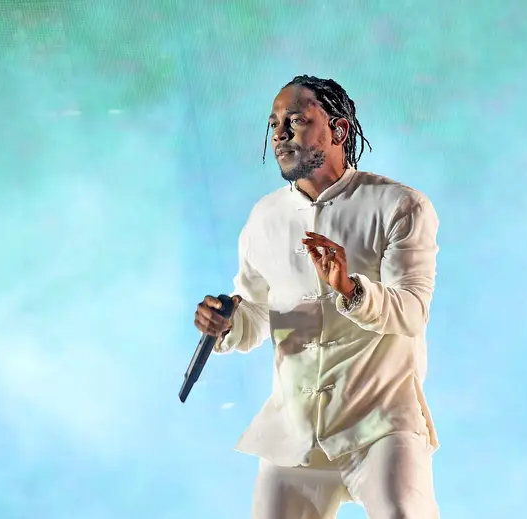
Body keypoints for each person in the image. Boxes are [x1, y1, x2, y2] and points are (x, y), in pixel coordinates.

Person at [193, 75, 441, 519]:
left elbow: (412, 312)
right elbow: (257, 314)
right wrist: (227, 323)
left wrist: (349, 288)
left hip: (380, 425)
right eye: (273, 124)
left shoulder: (398, 206)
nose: (279, 134)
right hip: (295, 431)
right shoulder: (264, 217)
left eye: (296, 121)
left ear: (338, 131)